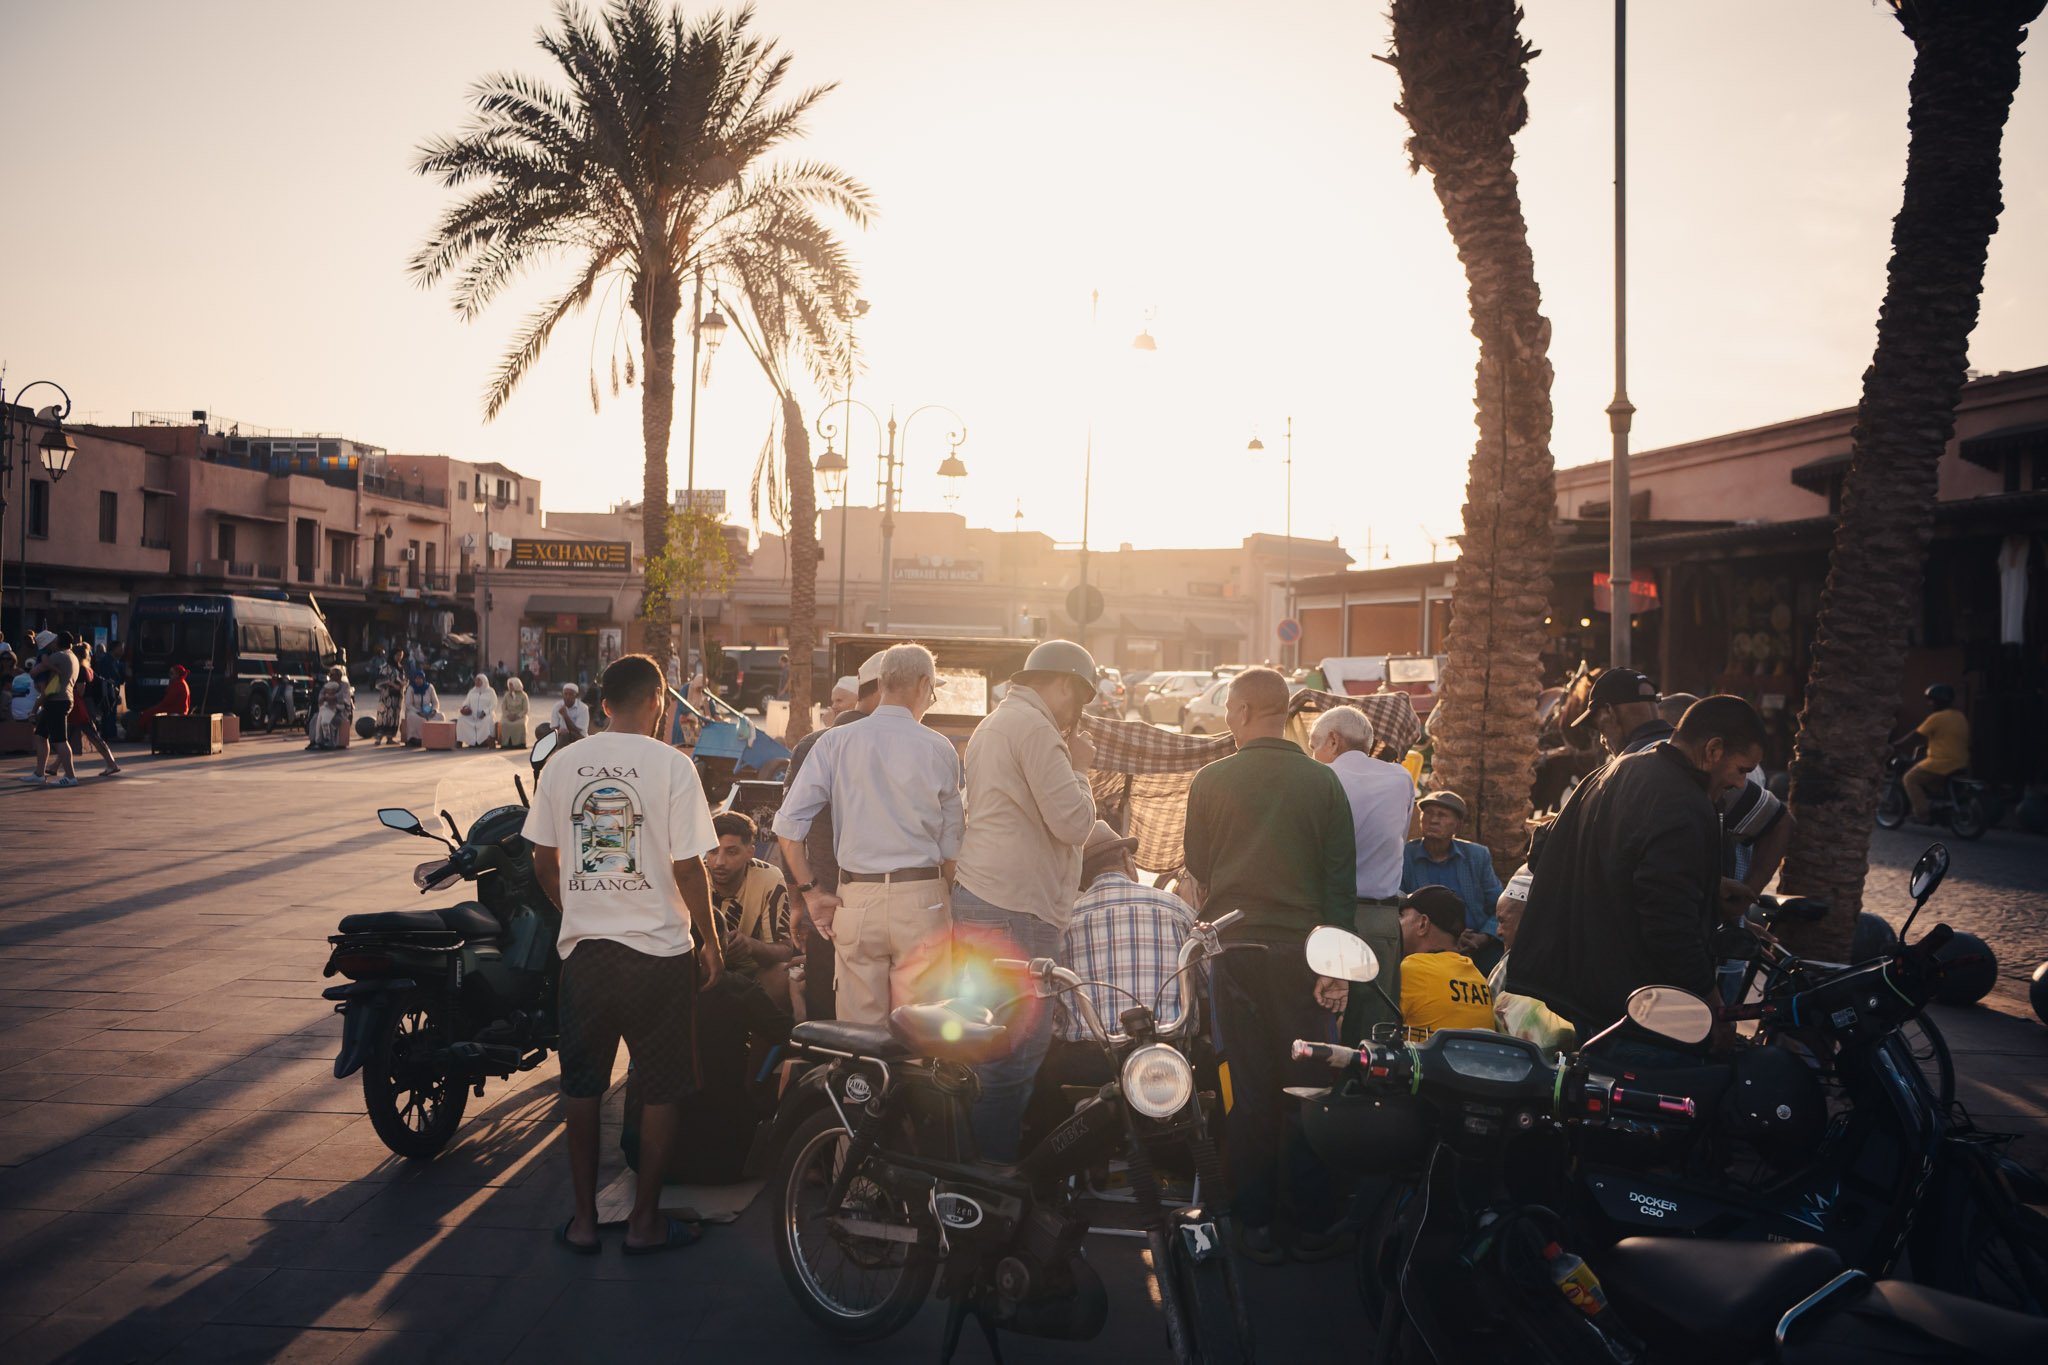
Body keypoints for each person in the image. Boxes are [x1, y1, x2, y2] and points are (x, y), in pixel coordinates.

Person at [523, 653, 724, 1255]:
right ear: (659, 702)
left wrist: (577, 910)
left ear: (603, 705)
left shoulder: (561, 764)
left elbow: (540, 858)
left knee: (582, 1087)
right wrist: (711, 941)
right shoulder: (673, 766)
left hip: (586, 958)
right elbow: (689, 868)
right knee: (661, 1088)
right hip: (658, 955)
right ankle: (643, 1224)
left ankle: (583, 1222)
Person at [1183, 666, 1356, 1264]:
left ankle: (1255, 1223)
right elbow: (1340, 884)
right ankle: (1311, 1220)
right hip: (1307, 957)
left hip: (1234, 955)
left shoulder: (1211, 779)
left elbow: (1198, 864)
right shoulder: (1324, 783)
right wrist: (1337, 968)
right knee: (1311, 1087)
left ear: (1240, 711)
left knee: (1247, 1092)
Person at [1507, 695, 1767, 1036]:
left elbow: (1570, 856)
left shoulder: (1618, 770)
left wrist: (1706, 886)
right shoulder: (1684, 803)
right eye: (1741, 770)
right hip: (1636, 1009)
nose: (1739, 783)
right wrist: (1712, 1010)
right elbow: (1669, 924)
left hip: (1587, 995)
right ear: (1714, 750)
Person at [951, 640, 1101, 1161]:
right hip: (1016, 907)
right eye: (1080, 699)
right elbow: (1075, 823)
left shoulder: (998, 721)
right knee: (1015, 1055)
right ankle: (989, 1181)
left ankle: (969, 1174)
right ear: (1064, 684)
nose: (1079, 715)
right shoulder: (1037, 728)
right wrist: (1081, 768)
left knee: (989, 1047)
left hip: (987, 896)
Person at [774, 643, 965, 1026]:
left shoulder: (834, 741)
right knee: (921, 1031)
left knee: (859, 1037)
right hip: (922, 899)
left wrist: (811, 893)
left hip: (855, 899)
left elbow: (789, 829)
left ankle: (862, 1087)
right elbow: (951, 848)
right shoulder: (939, 748)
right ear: (924, 684)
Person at [1024, 819, 1197, 1142]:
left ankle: (1059, 1175)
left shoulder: (1064, 923)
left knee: (1042, 1072)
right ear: (1129, 862)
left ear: (1080, 876)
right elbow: (1203, 983)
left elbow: (1054, 1015)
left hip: (1091, 1064)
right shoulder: (1177, 909)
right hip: (1170, 1058)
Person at [779, 650, 886, 1023]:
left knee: (828, 1018)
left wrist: (800, 899)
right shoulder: (918, 743)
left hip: (824, 904)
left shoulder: (814, 743)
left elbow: (790, 829)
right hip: (888, 905)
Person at [1309, 704, 1415, 1041]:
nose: (1313, 754)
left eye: (1315, 745)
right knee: (1374, 1031)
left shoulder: (1323, 778)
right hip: (1382, 921)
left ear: (1334, 741)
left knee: (1319, 1018)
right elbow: (1402, 836)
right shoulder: (1401, 778)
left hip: (1327, 917)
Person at [1401, 790, 1505, 972]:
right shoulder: (1405, 855)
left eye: (1442, 815)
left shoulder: (1477, 856)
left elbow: (1498, 906)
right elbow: (1400, 903)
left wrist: (1484, 936)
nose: (1433, 820)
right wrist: (1449, 939)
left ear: (1458, 825)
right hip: (1426, 946)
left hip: (1477, 944)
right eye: (1428, 813)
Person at [707, 810, 798, 1008]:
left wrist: (751, 946)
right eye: (713, 851)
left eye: (731, 852)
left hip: (750, 975)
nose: (719, 862)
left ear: (750, 852)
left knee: (782, 974)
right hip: (701, 970)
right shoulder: (695, 876)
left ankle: (767, 1039)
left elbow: (785, 951)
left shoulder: (769, 878)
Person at [1396, 886, 1497, 1036]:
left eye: (1401, 916)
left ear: (1423, 924)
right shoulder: (1478, 977)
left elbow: (1372, 1023)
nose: (1396, 923)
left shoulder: (1413, 969)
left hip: (1424, 1060)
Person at [1898, 683, 1971, 824]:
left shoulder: (1937, 717)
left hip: (1941, 762)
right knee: (1931, 782)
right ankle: (1937, 807)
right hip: (1961, 761)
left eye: (1931, 700)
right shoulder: (1959, 716)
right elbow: (1948, 737)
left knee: (1909, 779)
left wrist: (1897, 744)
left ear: (1938, 700)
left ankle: (1922, 814)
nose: (1929, 703)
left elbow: (1916, 735)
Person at [1567, 667, 1669, 757]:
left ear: (1609, 711)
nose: (1602, 740)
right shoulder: (1682, 748)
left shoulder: (1621, 772)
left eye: (1602, 729)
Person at [22, 631, 80, 787]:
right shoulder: (73, 657)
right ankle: (39, 773)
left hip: (57, 701)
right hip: (62, 699)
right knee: (41, 735)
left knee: (60, 740)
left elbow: (34, 672)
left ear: (58, 642)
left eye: (55, 641)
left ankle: (70, 776)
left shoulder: (59, 656)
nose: (52, 643)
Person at [66, 642, 122, 778]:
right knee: (67, 738)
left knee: (93, 736)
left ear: (77, 656)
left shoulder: (81, 669)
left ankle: (112, 763)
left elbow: (80, 691)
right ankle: (54, 766)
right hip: (86, 707)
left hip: (83, 707)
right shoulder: (88, 668)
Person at [135, 662, 191, 736]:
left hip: (176, 709)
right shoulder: (181, 682)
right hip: (179, 708)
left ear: (177, 674)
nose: (169, 675)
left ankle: (137, 730)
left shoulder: (178, 684)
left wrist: (157, 706)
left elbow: (168, 701)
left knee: (148, 713)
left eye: (172, 673)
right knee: (151, 713)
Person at [308, 665, 354, 750]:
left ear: (339, 675)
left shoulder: (344, 685)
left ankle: (329, 742)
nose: (332, 676)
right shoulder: (327, 685)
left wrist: (331, 698)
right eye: (331, 674)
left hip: (340, 710)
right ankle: (314, 741)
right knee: (314, 719)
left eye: (335, 674)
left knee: (330, 720)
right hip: (327, 708)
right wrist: (324, 699)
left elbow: (343, 697)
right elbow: (321, 696)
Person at [373, 647, 407, 745]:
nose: (399, 658)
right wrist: (392, 684)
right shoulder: (386, 666)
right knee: (384, 716)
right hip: (387, 697)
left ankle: (390, 738)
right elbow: (380, 681)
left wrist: (402, 684)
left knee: (394, 717)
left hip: (397, 697)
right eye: (397, 655)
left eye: (401, 656)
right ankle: (378, 738)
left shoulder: (400, 668)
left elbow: (404, 680)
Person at [455, 673, 499, 748]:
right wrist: (465, 707)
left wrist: (485, 712)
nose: (477, 683)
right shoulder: (472, 691)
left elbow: (494, 704)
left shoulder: (490, 691)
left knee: (487, 721)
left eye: (479, 681)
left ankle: (487, 741)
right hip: (472, 715)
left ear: (484, 681)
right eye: (476, 681)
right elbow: (466, 702)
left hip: (485, 715)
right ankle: (461, 741)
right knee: (462, 719)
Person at [400, 670, 442, 745]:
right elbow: (408, 704)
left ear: (423, 678)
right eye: (416, 678)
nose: (418, 680)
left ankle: (433, 737)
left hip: (428, 711)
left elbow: (436, 702)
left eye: (420, 678)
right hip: (415, 711)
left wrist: (433, 711)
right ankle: (416, 738)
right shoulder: (411, 688)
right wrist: (418, 712)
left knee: (440, 716)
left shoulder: (430, 687)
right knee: (413, 717)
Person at [498, 676, 532, 749]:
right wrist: (508, 715)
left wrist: (517, 716)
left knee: (521, 724)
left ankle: (520, 744)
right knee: (504, 724)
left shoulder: (523, 695)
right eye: (509, 685)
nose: (510, 687)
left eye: (511, 685)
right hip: (508, 716)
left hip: (520, 716)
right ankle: (506, 744)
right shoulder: (507, 695)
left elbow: (525, 709)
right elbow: (503, 707)